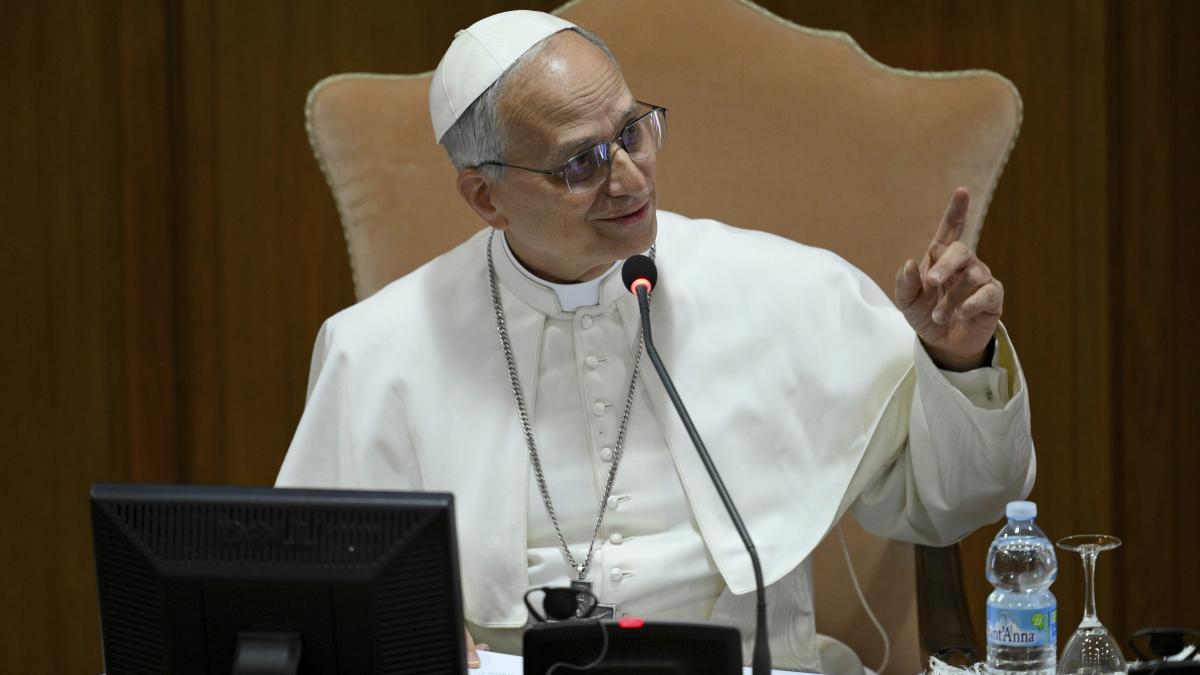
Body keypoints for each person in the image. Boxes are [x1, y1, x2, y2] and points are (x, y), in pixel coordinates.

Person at [277, 10, 1034, 672]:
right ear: (486, 196)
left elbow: (956, 504)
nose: (632, 180)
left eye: (632, 131)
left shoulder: (789, 291)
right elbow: (316, 596)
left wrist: (958, 361)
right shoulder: (377, 351)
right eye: (580, 163)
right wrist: (397, 625)